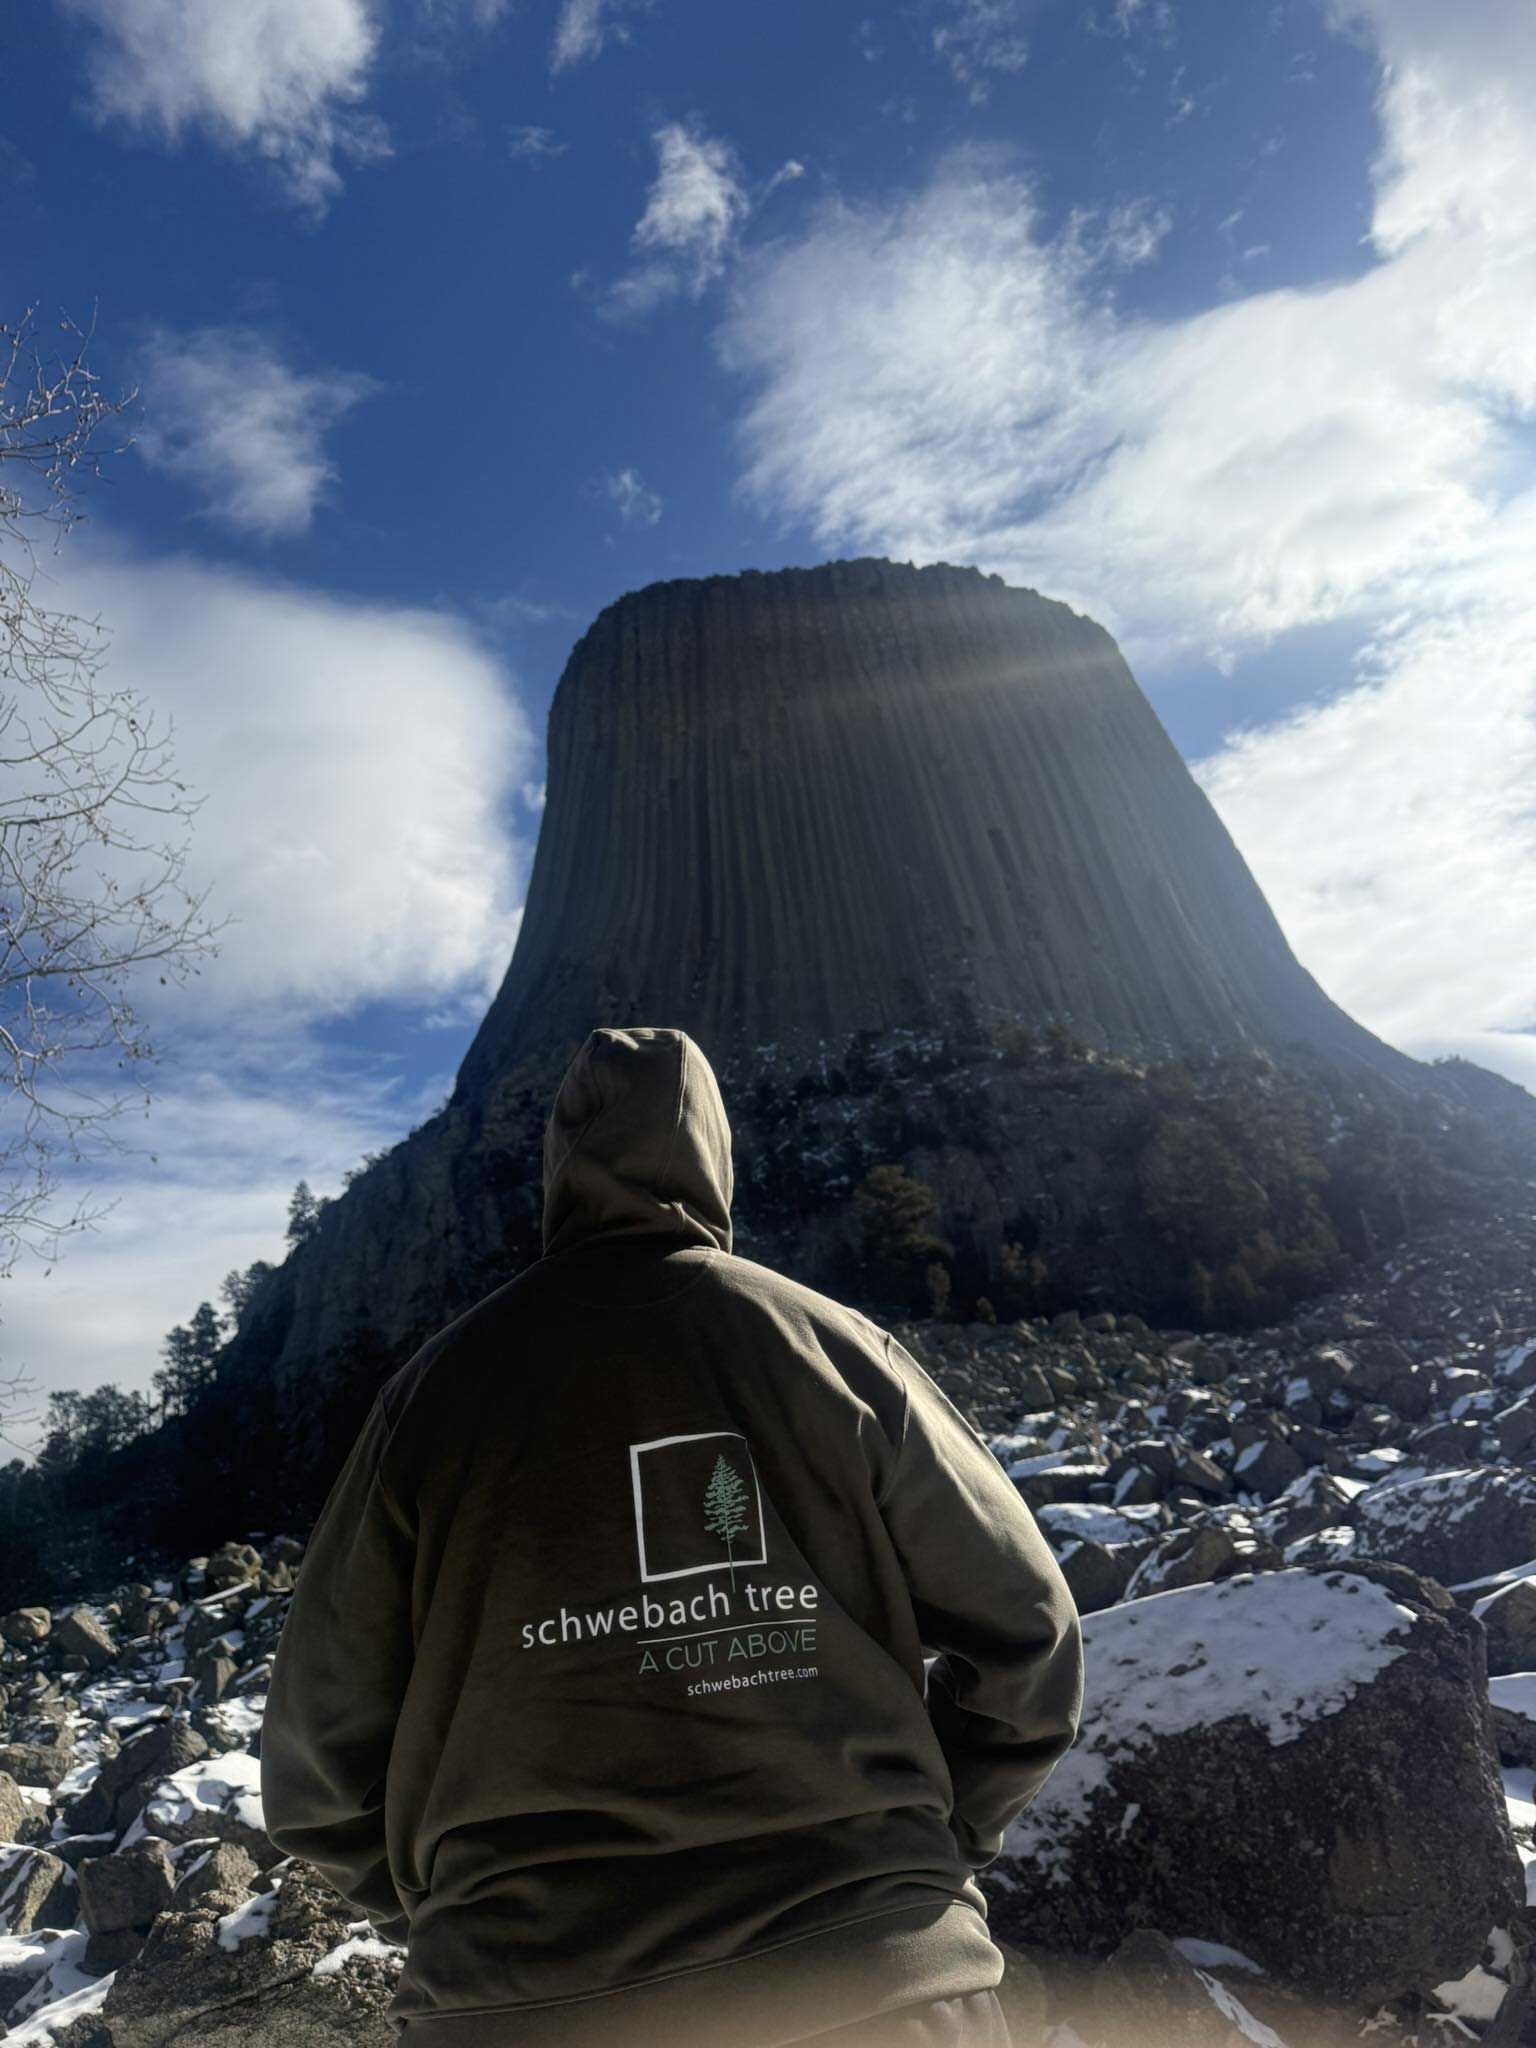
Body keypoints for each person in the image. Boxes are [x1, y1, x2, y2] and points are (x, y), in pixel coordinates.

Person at [260, 1025, 1084, 2047]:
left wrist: (467, 1921)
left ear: (559, 1169)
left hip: (524, 2007)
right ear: (713, 1158)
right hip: (879, 1981)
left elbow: (314, 1768)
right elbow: (1029, 1632)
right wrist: (927, 1844)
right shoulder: (834, 1349)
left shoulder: (432, 1400)